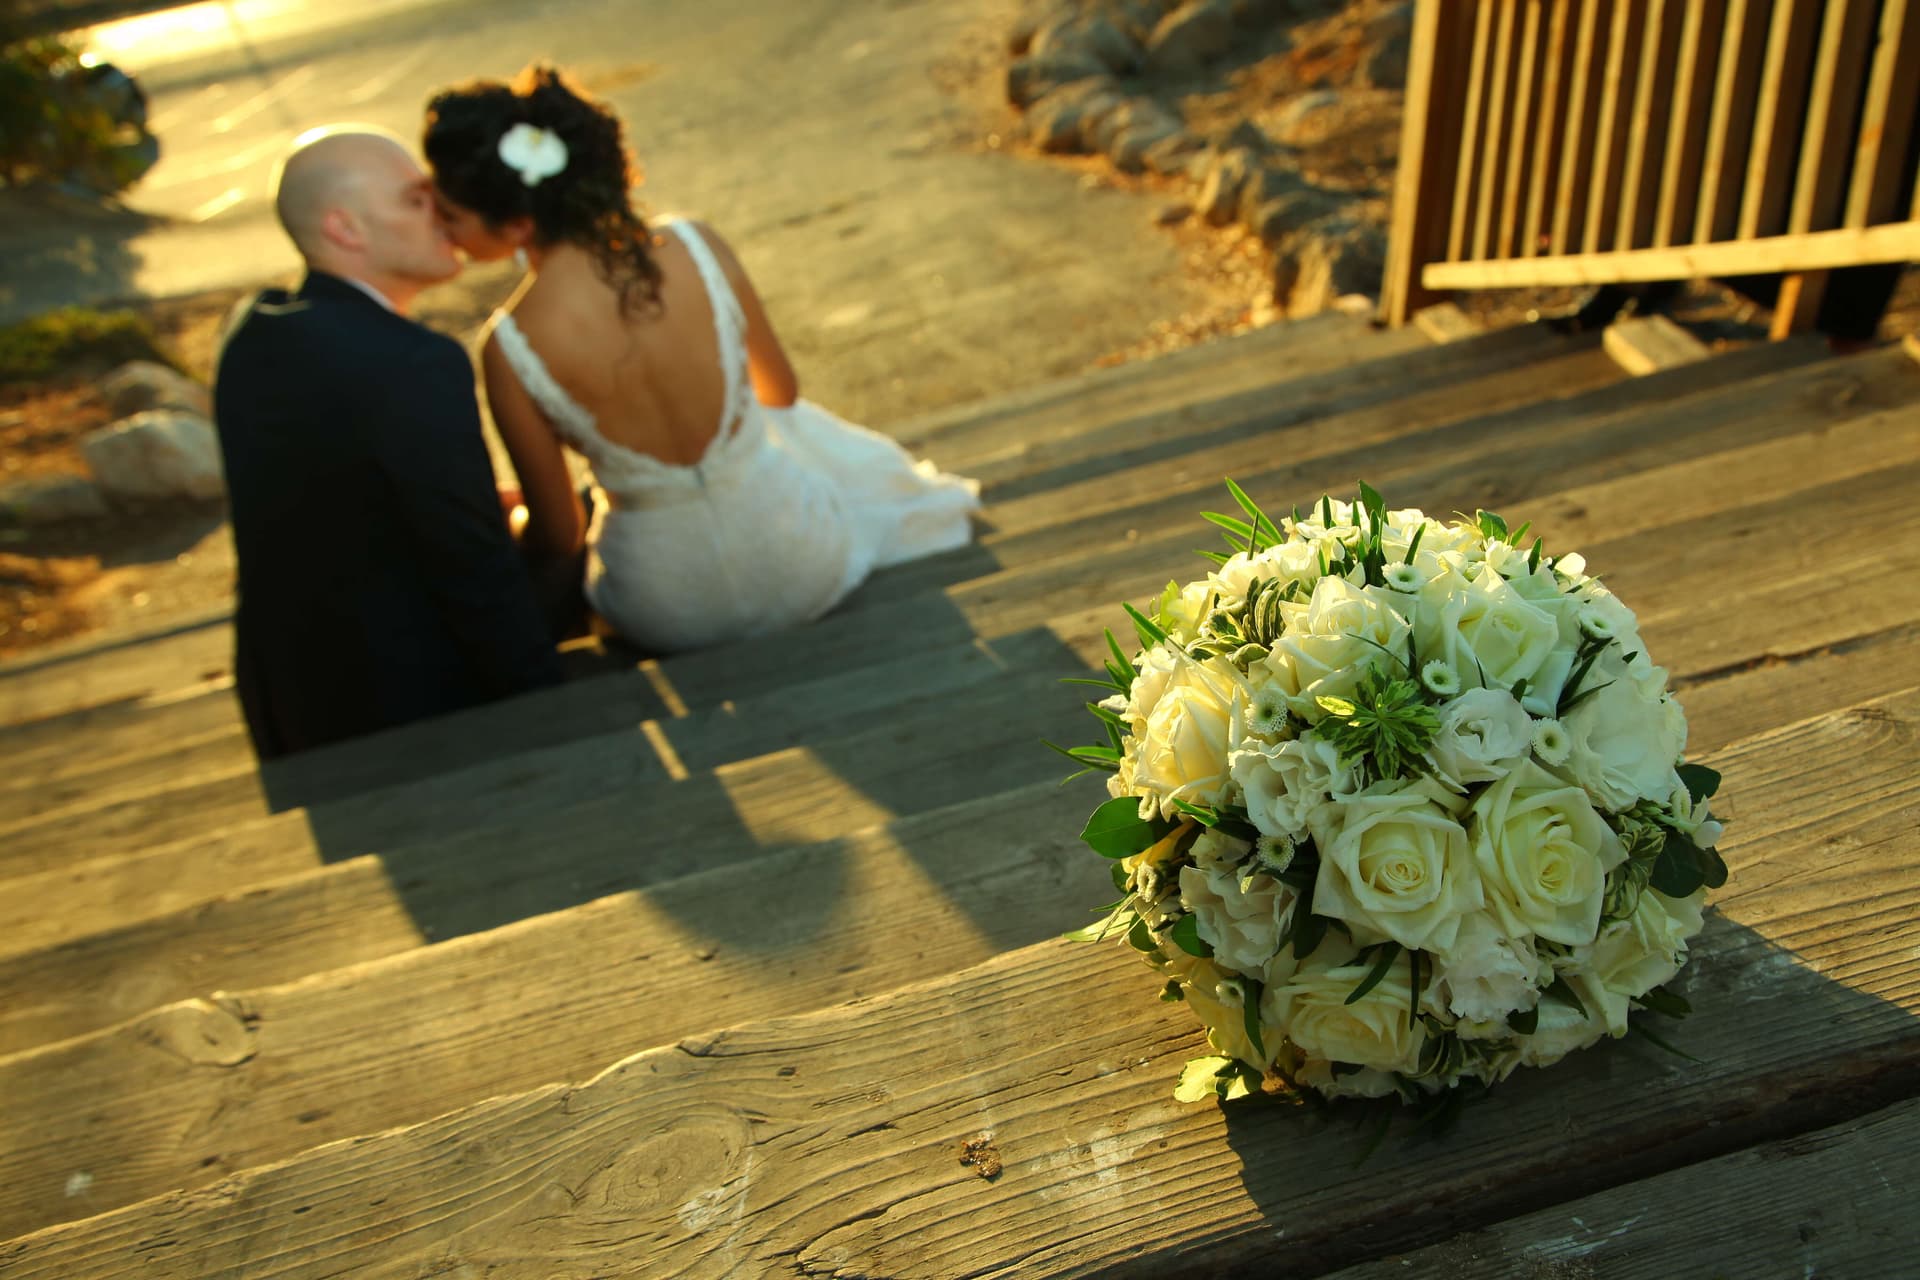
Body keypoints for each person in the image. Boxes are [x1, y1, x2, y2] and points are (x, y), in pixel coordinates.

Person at [420, 65, 981, 654]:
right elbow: (779, 392)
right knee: (805, 443)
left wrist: (510, 524)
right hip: (801, 561)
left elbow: (559, 536)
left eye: (451, 216)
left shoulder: (508, 345)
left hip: (661, 605)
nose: (444, 229)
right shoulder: (694, 245)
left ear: (517, 224)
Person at [212, 126, 563, 761]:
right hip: (419, 712)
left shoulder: (255, 333)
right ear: (346, 230)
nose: (446, 210)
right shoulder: (411, 362)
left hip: (299, 710)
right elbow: (473, 564)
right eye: (415, 199)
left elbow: (336, 506)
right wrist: (553, 704)